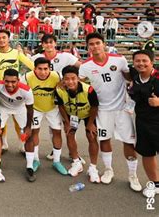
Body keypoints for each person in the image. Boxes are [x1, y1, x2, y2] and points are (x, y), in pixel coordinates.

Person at [79, 32, 141, 191]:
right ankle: (108, 170)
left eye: (98, 43)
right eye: (91, 44)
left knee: (128, 142)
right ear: (88, 47)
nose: (95, 46)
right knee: (104, 140)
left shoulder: (119, 59)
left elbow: (129, 77)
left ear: (104, 44)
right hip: (102, 110)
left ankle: (133, 175)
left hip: (122, 109)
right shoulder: (85, 67)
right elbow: (79, 83)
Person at [0, 29, 34, 153]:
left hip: (16, 91)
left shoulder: (16, 53)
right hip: (0, 91)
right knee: (1, 121)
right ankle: (4, 144)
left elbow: (32, 66)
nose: (1, 40)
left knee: (18, 120)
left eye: (4, 37)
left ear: (8, 39)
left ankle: (22, 144)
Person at [55, 65, 100, 182]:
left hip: (88, 114)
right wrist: (66, 122)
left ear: (78, 78)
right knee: (69, 134)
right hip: (73, 115)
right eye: (67, 79)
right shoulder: (59, 90)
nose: (70, 82)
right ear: (63, 80)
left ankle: (93, 168)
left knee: (91, 135)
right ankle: (76, 162)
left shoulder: (88, 89)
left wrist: (90, 123)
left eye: (73, 78)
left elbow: (95, 106)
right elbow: (60, 106)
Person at [23, 57, 68, 175]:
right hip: (35, 109)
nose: (43, 72)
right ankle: (36, 159)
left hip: (53, 108)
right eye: (40, 69)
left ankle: (57, 161)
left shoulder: (57, 76)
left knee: (57, 132)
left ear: (50, 68)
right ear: (34, 69)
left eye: (46, 69)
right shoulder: (27, 77)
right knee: (34, 133)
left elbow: (66, 86)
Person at [0, 69, 34, 181]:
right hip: (3, 108)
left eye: (13, 82)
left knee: (29, 136)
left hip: (20, 109)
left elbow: (30, 109)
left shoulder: (26, 90)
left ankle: (30, 166)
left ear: (18, 80)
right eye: (7, 81)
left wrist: (28, 127)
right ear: (3, 80)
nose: (10, 84)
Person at [129, 50, 159, 197]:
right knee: (147, 154)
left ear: (152, 62)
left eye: (144, 60)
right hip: (142, 122)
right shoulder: (135, 78)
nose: (141, 63)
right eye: (137, 61)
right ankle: (155, 184)